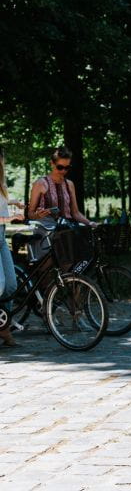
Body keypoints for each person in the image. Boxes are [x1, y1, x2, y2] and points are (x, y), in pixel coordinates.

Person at [28, 146, 96, 226]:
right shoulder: (40, 183)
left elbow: (75, 213)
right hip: (47, 229)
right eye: (60, 167)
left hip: (66, 229)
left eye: (67, 167)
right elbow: (30, 213)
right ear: (52, 164)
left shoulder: (69, 184)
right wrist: (37, 215)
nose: (63, 171)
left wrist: (90, 223)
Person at [1, 147, 26, 346]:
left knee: (10, 284)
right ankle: (5, 331)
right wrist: (12, 217)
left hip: (0, 236)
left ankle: (3, 327)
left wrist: (15, 203)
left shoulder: (1, 183)